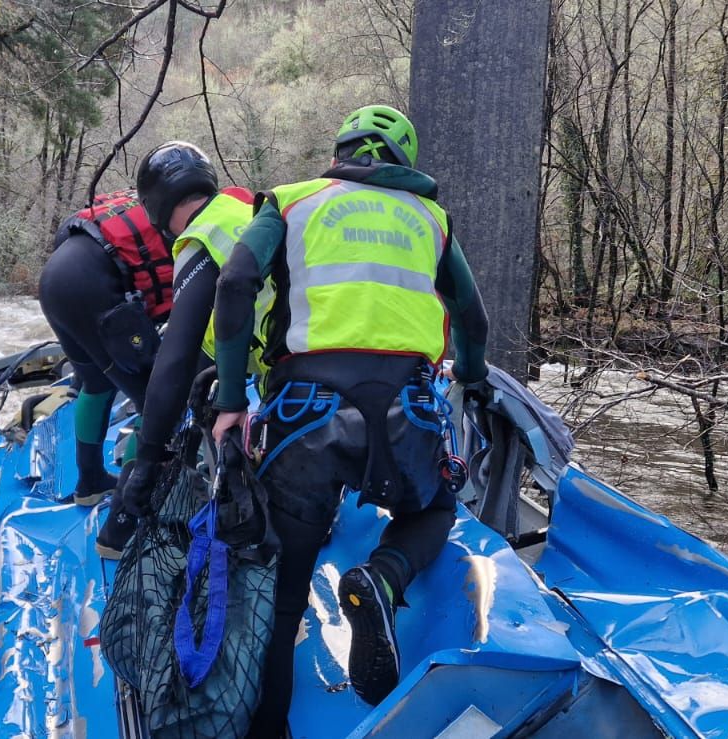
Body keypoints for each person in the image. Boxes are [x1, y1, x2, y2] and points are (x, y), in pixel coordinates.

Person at [208, 105, 490, 737]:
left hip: (306, 417)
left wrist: (231, 398)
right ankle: (382, 578)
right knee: (432, 511)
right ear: (404, 160)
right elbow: (472, 321)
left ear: (341, 151)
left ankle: (268, 730)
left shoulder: (290, 200)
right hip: (404, 413)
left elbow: (234, 283)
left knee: (283, 593)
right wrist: (470, 376)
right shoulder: (432, 219)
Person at [95, 142, 268, 558]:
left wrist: (149, 458)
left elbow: (174, 358)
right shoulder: (245, 213)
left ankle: (116, 537)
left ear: (154, 207)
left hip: (287, 364)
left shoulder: (202, 235)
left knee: (170, 397)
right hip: (315, 358)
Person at [39, 152, 217, 507]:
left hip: (56, 280)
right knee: (156, 399)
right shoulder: (204, 227)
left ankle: (90, 482)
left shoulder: (153, 204)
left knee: (97, 382)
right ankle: (131, 510)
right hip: (91, 288)